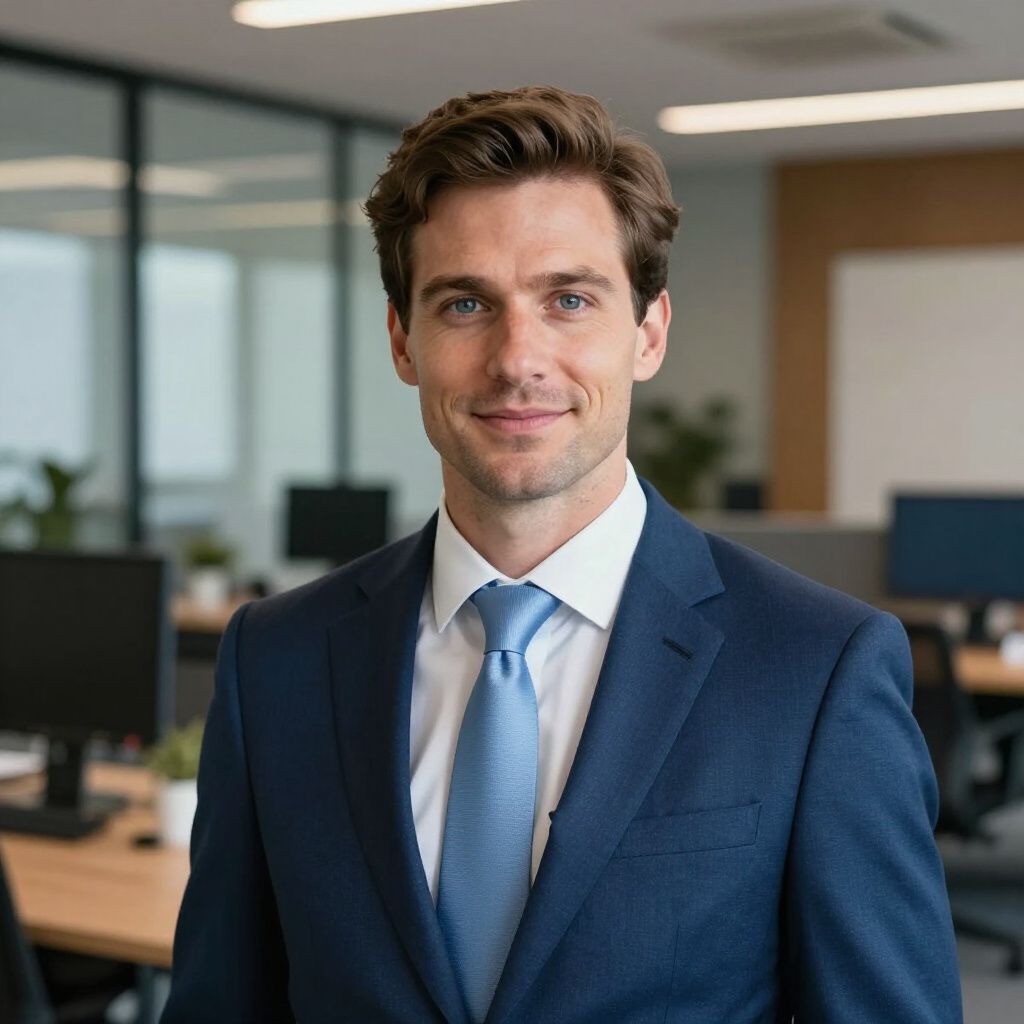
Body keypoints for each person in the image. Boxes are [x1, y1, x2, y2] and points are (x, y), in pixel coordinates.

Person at [162, 86, 962, 1024]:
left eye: (570, 299)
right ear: (402, 340)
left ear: (649, 332)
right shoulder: (278, 658)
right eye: (465, 304)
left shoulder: (814, 666)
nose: (517, 358)